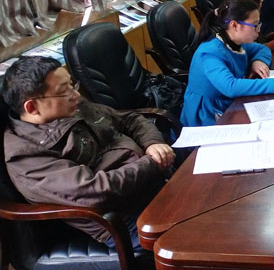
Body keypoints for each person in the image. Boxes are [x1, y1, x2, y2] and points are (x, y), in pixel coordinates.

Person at [2, 56, 175, 249]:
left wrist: (152, 144)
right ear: (32, 107)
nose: (76, 95)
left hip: (152, 183)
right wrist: (152, 162)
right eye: (64, 91)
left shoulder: (70, 107)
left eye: (71, 85)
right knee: (196, 235)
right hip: (123, 218)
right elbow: (96, 190)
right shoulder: (25, 155)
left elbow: (129, 119)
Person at [181, 0, 274, 127]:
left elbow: (262, 49)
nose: (259, 30)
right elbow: (230, 87)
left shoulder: (236, 42)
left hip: (230, 103)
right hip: (208, 115)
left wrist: (258, 61)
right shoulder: (210, 53)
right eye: (255, 25)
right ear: (234, 25)